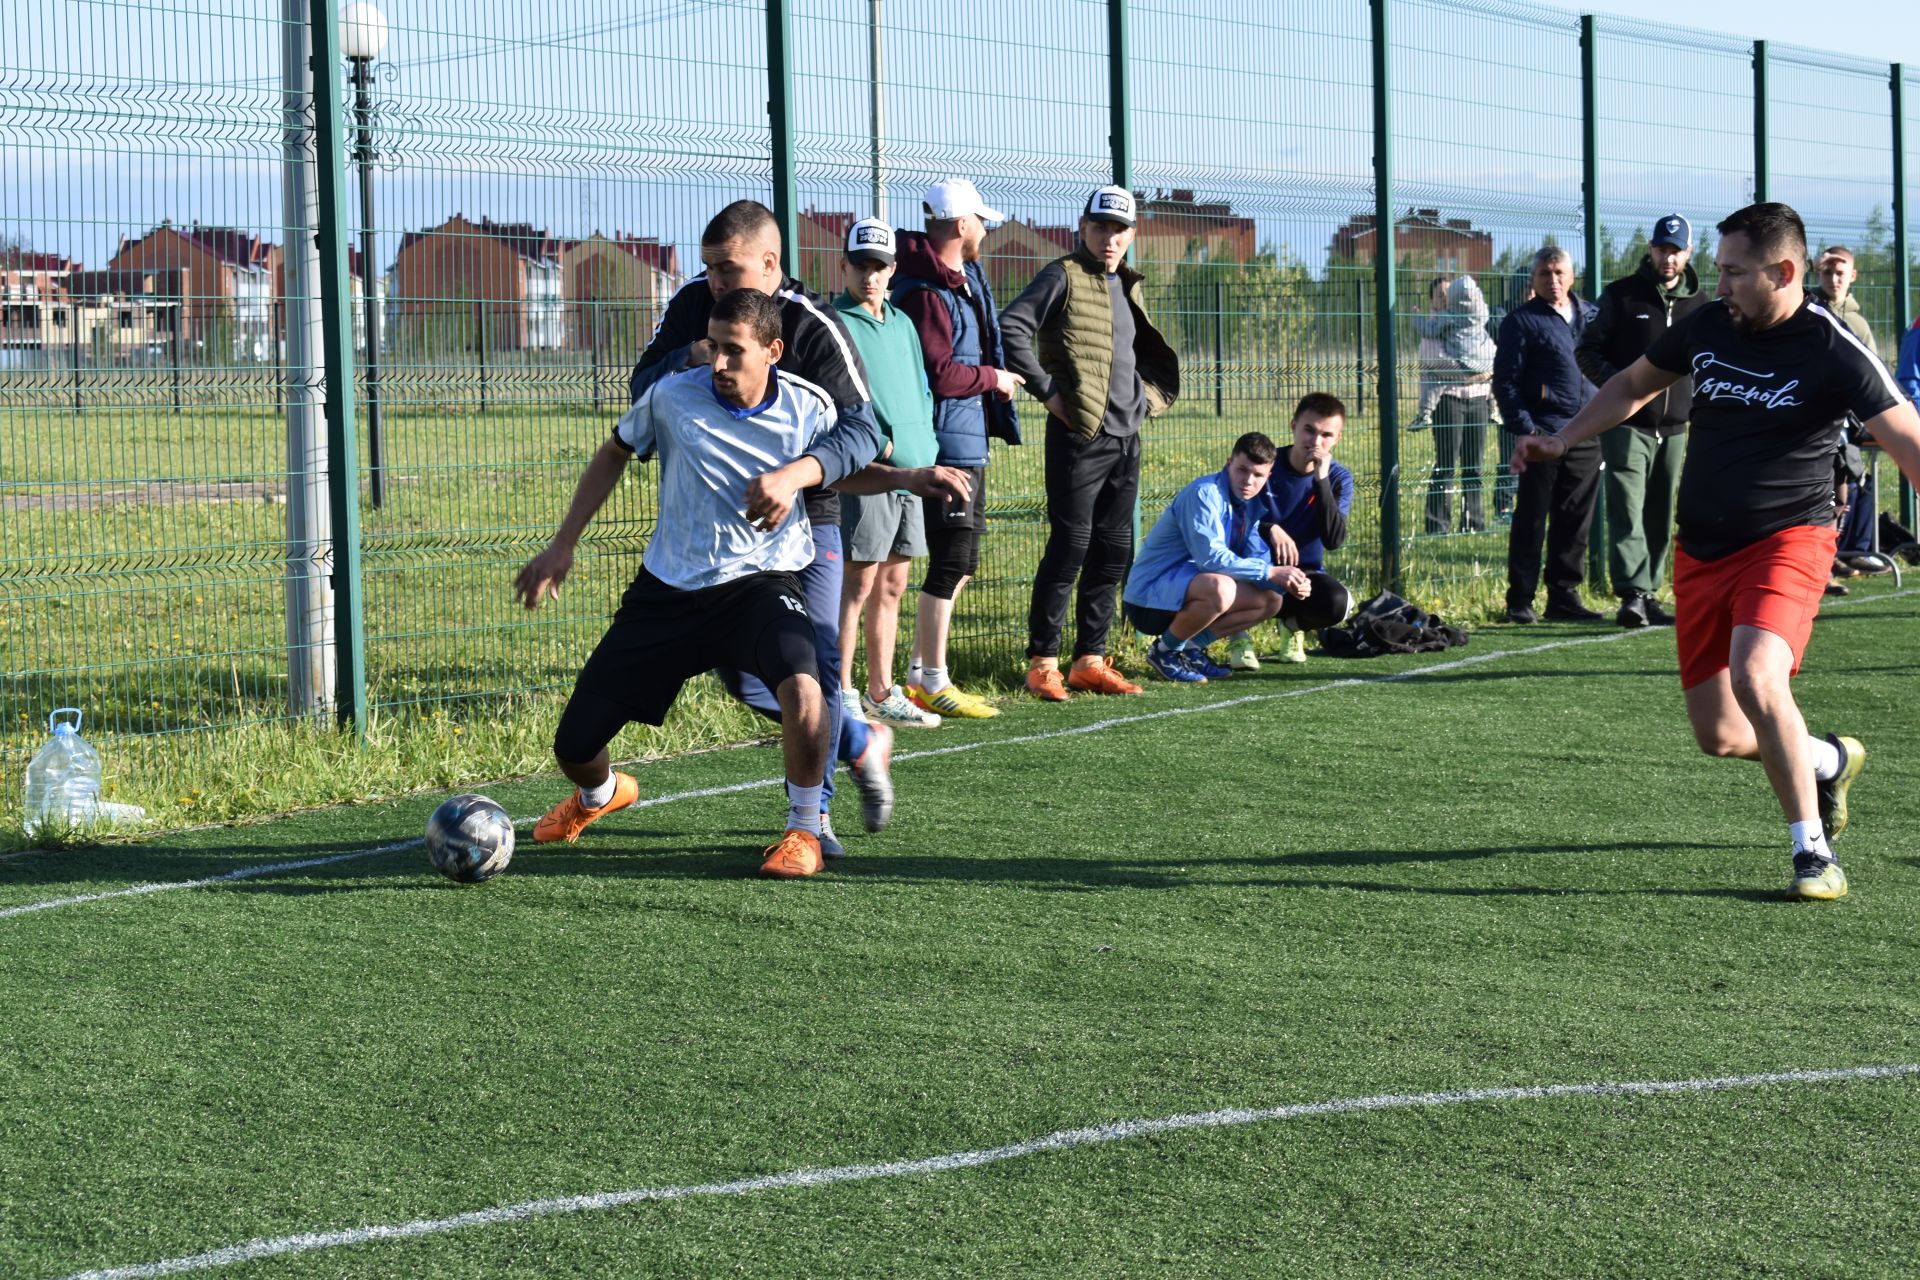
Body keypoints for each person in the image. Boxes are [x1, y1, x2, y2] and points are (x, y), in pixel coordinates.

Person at [1512, 201, 1920, 902]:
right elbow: (1630, 387)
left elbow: (1910, 439)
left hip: (1790, 540)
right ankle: (1826, 760)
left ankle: (1812, 855)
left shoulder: (1830, 347)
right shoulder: (1704, 324)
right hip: (1701, 549)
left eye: (1734, 272)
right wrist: (1562, 437)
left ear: (1783, 272)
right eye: (1720, 270)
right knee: (1721, 734)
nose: (1719, 283)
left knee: (1759, 677)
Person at [627, 200, 961, 857]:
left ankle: (812, 818)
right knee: (743, 673)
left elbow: (865, 431)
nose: (715, 283)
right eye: (709, 270)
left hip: (814, 524)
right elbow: (640, 386)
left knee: (812, 669)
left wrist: (798, 475)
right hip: (726, 532)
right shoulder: (693, 306)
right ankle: (858, 741)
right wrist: (687, 359)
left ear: (771, 264)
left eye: (729, 270)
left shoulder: (812, 326)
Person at [515, 290, 867, 879]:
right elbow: (614, 452)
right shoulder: (674, 396)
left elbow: (858, 444)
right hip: (668, 591)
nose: (719, 364)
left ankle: (804, 828)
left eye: (735, 351)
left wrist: (820, 476)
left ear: (774, 351)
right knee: (573, 747)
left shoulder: (809, 406)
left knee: (807, 691)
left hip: (759, 585)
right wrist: (563, 543)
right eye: (713, 347)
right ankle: (601, 796)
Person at [1000, 185, 1181, 701]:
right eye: (1100, 227)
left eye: (1119, 230)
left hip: (1127, 437)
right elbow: (1012, 326)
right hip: (1078, 436)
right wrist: (1050, 392)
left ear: (1131, 235)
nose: (1109, 238)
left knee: (1113, 550)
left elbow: (1135, 353)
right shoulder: (1063, 274)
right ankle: (1043, 662)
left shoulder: (1126, 282)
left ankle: (1090, 661)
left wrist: (1144, 400)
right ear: (1083, 227)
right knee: (1070, 546)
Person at [890, 178, 1024, 721]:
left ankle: (922, 674)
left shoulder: (959, 282)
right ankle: (933, 680)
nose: (986, 231)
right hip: (945, 443)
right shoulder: (926, 292)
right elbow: (941, 374)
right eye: (982, 222)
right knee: (952, 559)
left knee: (963, 560)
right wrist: (993, 378)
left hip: (965, 438)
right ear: (963, 224)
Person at [831, 220, 942, 730]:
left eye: (879, 266)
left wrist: (923, 444)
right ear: (845, 266)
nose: (870, 276)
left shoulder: (901, 322)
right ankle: (842, 692)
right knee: (858, 583)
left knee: (894, 583)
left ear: (893, 269)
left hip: (915, 472)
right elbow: (834, 399)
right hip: (870, 471)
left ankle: (881, 691)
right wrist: (881, 442)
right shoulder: (835, 322)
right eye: (861, 265)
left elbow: (920, 386)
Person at [1576, 213, 1708, 627]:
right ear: (1650, 249)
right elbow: (1587, 350)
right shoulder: (1621, 296)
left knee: (1661, 509)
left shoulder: (1704, 306)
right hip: (1628, 424)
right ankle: (1632, 592)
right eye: (1661, 249)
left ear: (1688, 253)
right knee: (1626, 506)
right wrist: (1619, 388)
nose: (1667, 258)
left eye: (1675, 250)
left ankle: (1650, 591)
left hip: (1677, 426)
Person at [1123, 432, 1305, 684]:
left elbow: (1258, 560)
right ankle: (1164, 652)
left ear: (1268, 477)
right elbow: (1211, 560)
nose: (1248, 481)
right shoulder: (1204, 494)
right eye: (1242, 470)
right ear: (1228, 464)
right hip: (1148, 598)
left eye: (1258, 475)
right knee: (1222, 587)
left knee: (1270, 600)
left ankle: (1190, 648)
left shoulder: (1249, 504)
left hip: (1185, 591)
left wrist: (1287, 582)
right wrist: (1271, 572)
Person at [1494, 246, 1603, 624]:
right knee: (1531, 519)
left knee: (1575, 518)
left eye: (1559, 273)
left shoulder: (1592, 316)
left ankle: (1564, 595)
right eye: (1544, 274)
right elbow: (1506, 382)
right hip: (1542, 433)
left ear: (1572, 275)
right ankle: (1520, 600)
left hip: (1587, 431)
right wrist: (1527, 428)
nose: (1553, 281)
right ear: (1533, 280)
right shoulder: (1521, 322)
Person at [1242, 392, 1355, 667]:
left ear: (1337, 438)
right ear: (1293, 426)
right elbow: (1233, 518)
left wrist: (1321, 479)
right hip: (1252, 572)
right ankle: (1238, 635)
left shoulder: (1338, 478)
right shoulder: (1265, 465)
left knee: (1338, 603)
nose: (1316, 442)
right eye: (1309, 430)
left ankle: (1292, 627)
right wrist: (1269, 528)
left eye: (1326, 434)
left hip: (1302, 579)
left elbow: (1333, 540)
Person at [1813, 246, 1891, 579]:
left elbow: (1871, 377)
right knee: (1819, 489)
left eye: (1839, 273)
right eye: (1827, 272)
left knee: (1847, 486)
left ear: (1852, 277)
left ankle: (1839, 554)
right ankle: (1821, 561)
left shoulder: (1857, 323)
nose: (1833, 279)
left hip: (1847, 425)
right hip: (1811, 421)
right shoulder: (1807, 310)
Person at [1412, 274, 1495, 535]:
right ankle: (1438, 526)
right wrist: (1478, 374)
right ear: (1432, 301)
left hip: (1479, 400)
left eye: (1449, 295)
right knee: (1446, 464)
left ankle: (1474, 523)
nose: (1446, 299)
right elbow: (1439, 367)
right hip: (1449, 400)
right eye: (1440, 296)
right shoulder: (1433, 330)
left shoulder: (1469, 321)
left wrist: (1485, 372)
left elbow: (1488, 353)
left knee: (1474, 466)